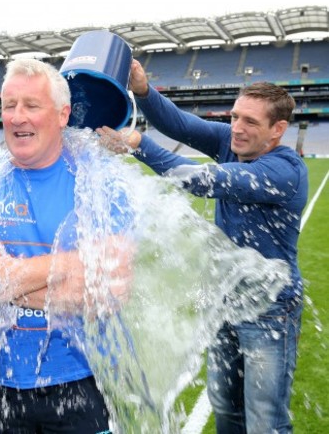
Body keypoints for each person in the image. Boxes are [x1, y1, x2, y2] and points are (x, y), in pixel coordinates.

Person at [97, 60, 308, 433]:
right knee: (226, 409)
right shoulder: (232, 140)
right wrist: (143, 91)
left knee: (265, 421)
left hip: (271, 309)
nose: (237, 129)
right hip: (225, 298)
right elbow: (179, 125)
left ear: (278, 130)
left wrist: (137, 144)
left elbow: (200, 179)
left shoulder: (285, 171)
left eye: (250, 122)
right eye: (235, 117)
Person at [0, 59, 134, 433]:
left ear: (63, 115)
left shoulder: (101, 182)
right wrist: (71, 264)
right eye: (9, 106)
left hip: (79, 380)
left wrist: (1, 277)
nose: (17, 117)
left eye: (31, 105)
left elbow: (107, 291)